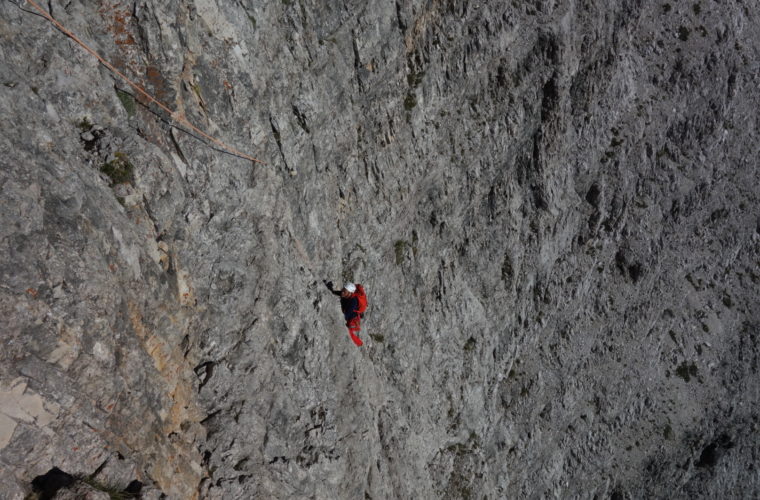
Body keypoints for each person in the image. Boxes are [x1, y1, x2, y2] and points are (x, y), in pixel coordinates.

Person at [324, 280, 366, 346]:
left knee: (349, 334)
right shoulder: (346, 294)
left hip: (352, 319)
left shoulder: (353, 302)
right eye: (343, 290)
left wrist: (340, 318)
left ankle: (359, 344)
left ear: (350, 293)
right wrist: (332, 291)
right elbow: (339, 293)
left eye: (344, 291)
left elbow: (347, 315)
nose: (342, 292)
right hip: (348, 314)